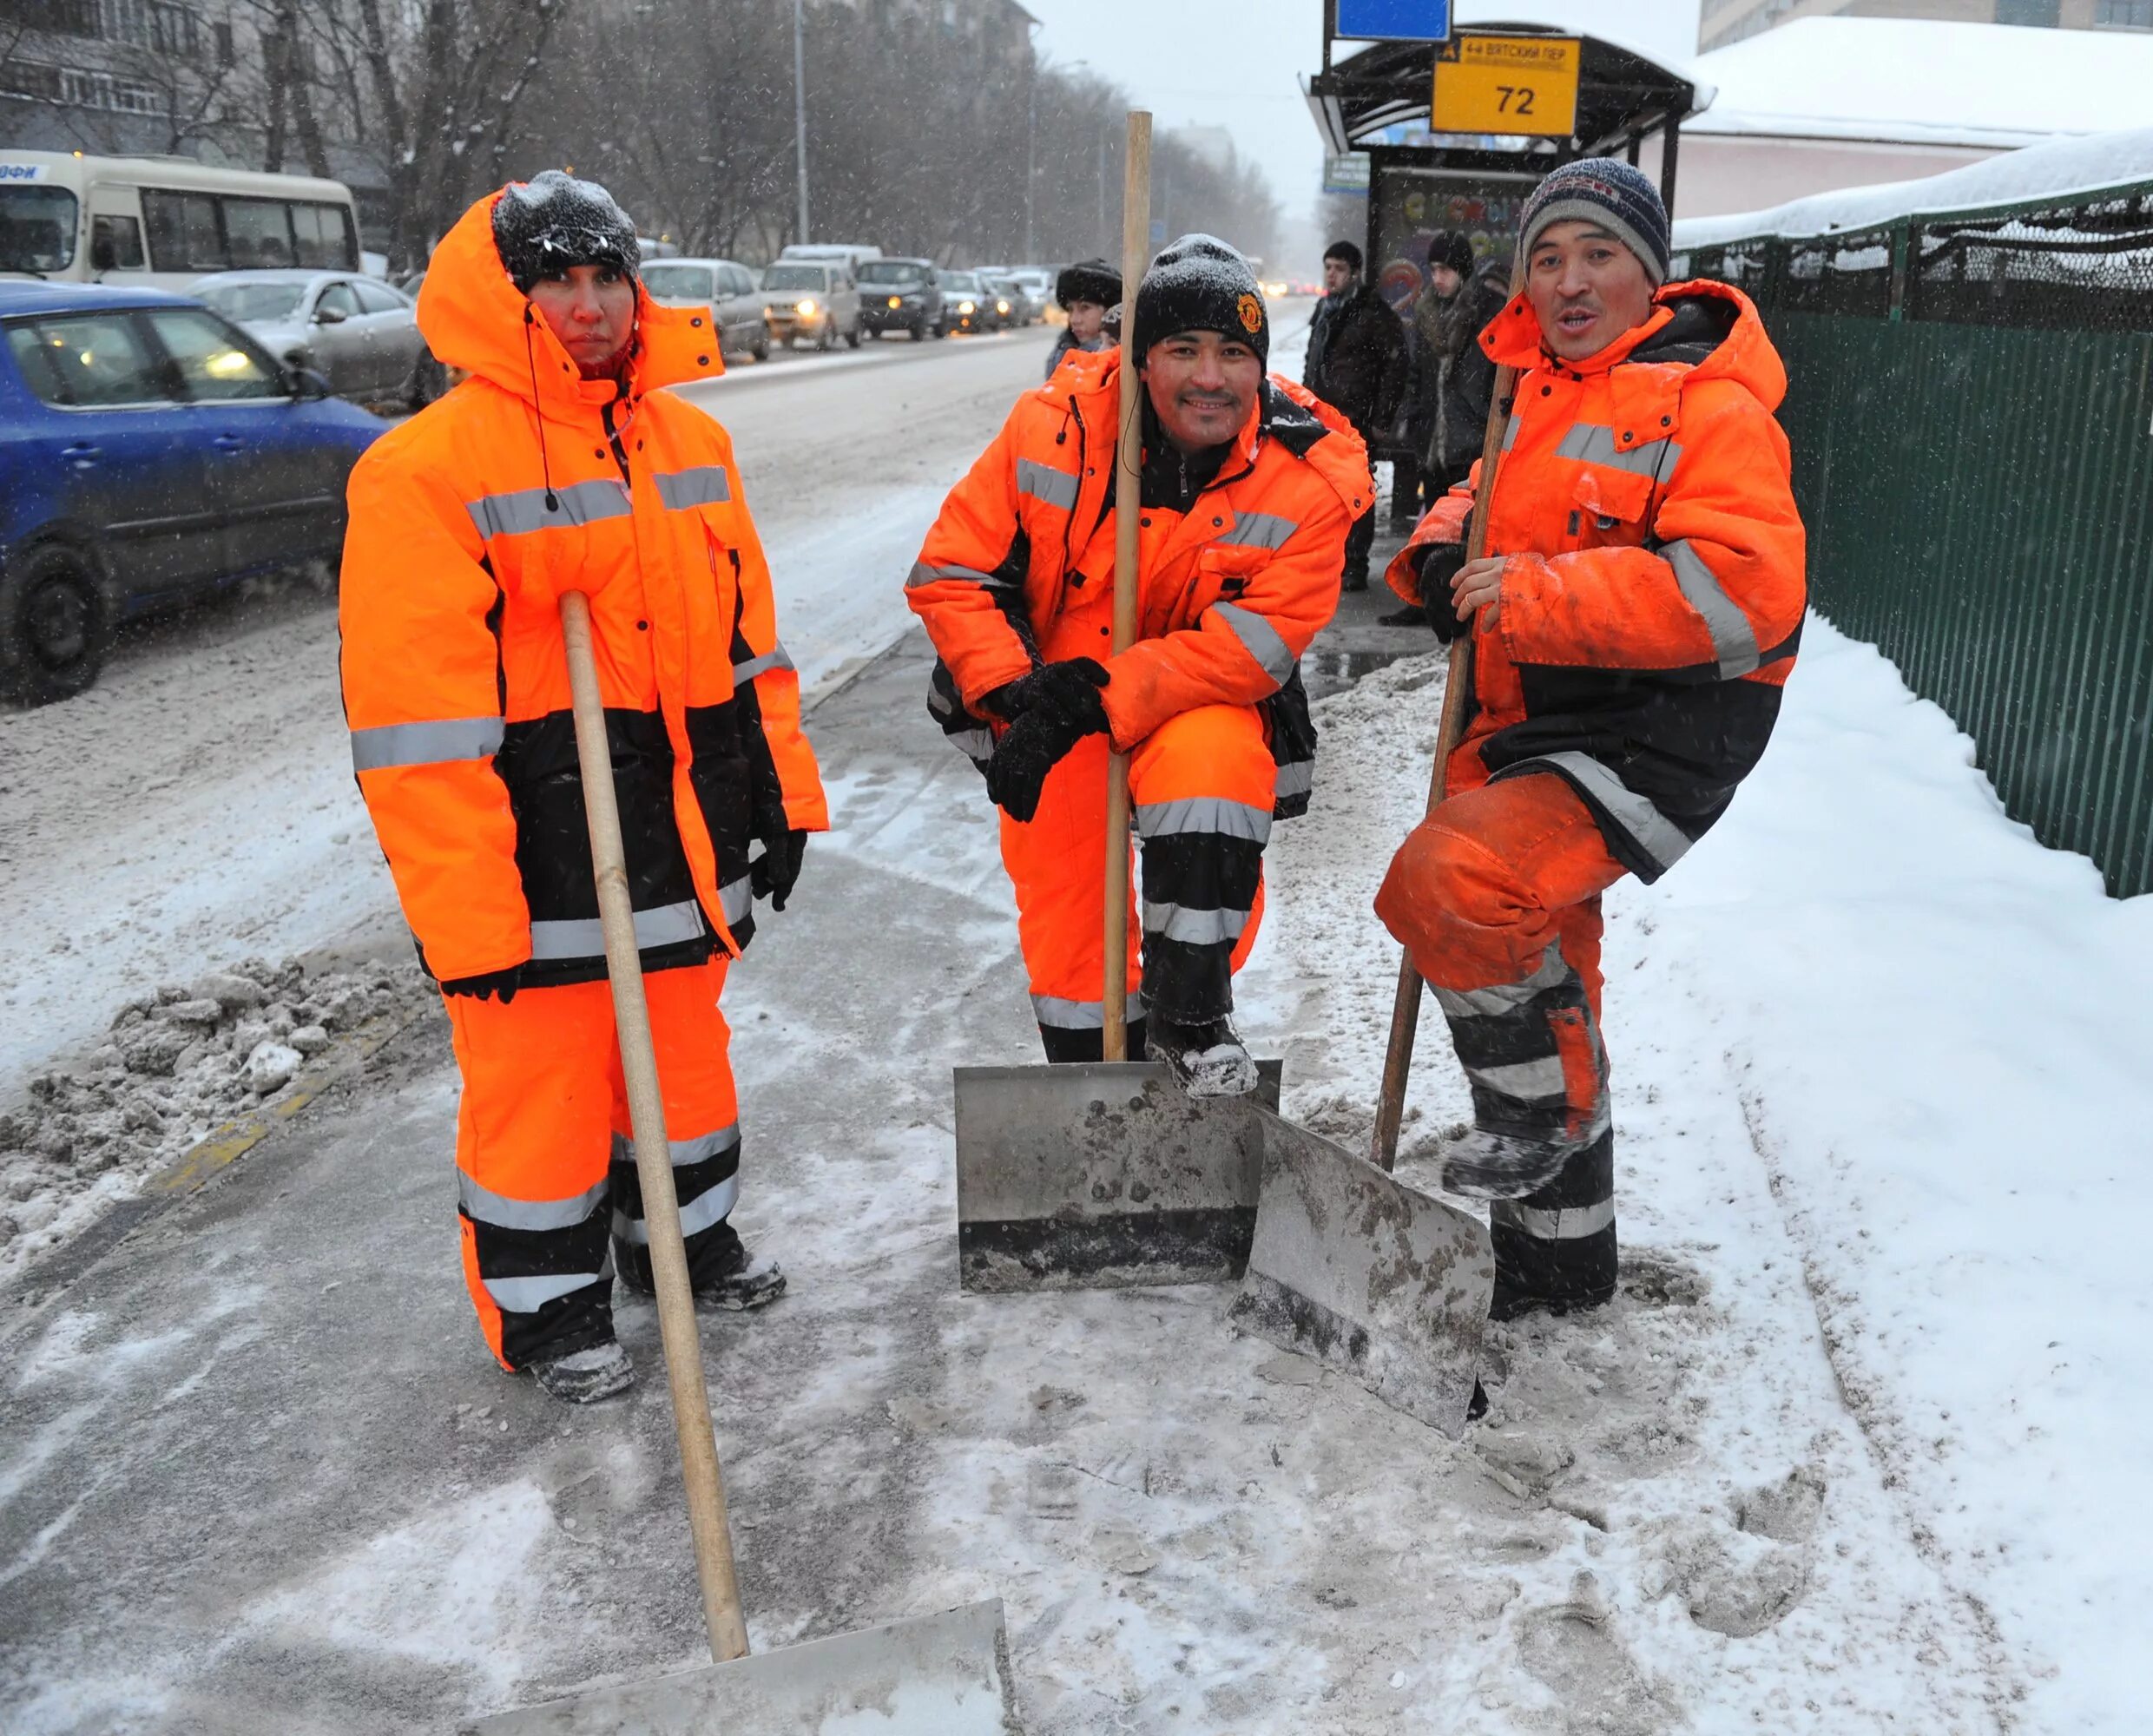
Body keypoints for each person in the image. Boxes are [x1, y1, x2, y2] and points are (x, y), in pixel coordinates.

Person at [339, 172, 826, 1403]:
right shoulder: (426, 470)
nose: (591, 303)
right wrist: (468, 923)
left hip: (678, 821)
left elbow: (748, 648)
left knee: (680, 1055)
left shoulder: (693, 444)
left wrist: (780, 797)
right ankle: (549, 1309)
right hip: (536, 842)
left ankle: (681, 1240)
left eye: (608, 275)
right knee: (542, 1085)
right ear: (503, 298)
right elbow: (416, 734)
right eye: (557, 277)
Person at [1374, 159, 1806, 1319]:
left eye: (1599, 255)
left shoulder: (1702, 402)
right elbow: (1492, 491)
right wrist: (1441, 544)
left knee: (1454, 878)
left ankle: (1544, 1114)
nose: (1570, 280)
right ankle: (1562, 1262)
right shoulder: (1536, 387)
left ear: (1650, 276)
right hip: (1540, 714)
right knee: (1542, 948)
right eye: (1548, 258)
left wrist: (1535, 593)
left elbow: (1745, 590)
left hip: (1660, 725)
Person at [911, 234, 1370, 1095]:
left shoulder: (1308, 478)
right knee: (1068, 901)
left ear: (1261, 367)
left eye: (1233, 353)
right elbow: (951, 575)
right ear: (1139, 357)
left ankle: (1189, 1012)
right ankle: (1092, 1089)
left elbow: (1253, 647)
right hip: (1050, 684)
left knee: (1215, 775)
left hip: (1196, 688)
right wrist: (1017, 689)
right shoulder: (1053, 428)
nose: (1209, 377)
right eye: (1182, 350)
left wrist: (1108, 696)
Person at [1386, 231, 1512, 627]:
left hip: (1471, 434)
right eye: (1434, 269)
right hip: (1432, 435)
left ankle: (1461, 602)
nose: (1437, 278)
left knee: (1467, 527)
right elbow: (1418, 372)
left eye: (1445, 270)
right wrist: (1410, 415)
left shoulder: (1488, 311)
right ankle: (1426, 598)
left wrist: (1492, 420)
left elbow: (1500, 374)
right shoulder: (1426, 314)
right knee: (1432, 523)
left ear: (1463, 271)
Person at [1302, 239, 1406, 590]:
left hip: (1356, 419)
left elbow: (1395, 366)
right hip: (1322, 416)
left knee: (1356, 493)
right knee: (1323, 494)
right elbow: (1312, 358)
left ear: (1355, 273)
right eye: (1328, 267)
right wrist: (1304, 402)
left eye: (1339, 269)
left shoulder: (1373, 313)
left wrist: (1381, 418)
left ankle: (1355, 565)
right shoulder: (1326, 308)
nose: (1332, 275)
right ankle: (1331, 562)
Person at [1044, 257, 1120, 380]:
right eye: (1070, 309)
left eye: (1085, 308)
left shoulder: (1121, 366)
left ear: (1109, 311)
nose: (1074, 320)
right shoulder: (1060, 358)